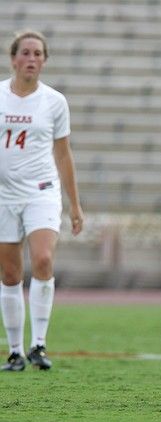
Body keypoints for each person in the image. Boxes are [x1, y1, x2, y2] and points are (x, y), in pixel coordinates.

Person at [0, 30, 84, 371]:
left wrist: (75, 205)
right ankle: (16, 351)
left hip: (42, 191)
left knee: (44, 259)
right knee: (9, 273)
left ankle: (39, 345)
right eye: (26, 53)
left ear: (44, 60)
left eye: (38, 54)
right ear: (13, 58)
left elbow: (63, 155)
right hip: (4, 194)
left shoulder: (54, 102)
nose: (32, 59)